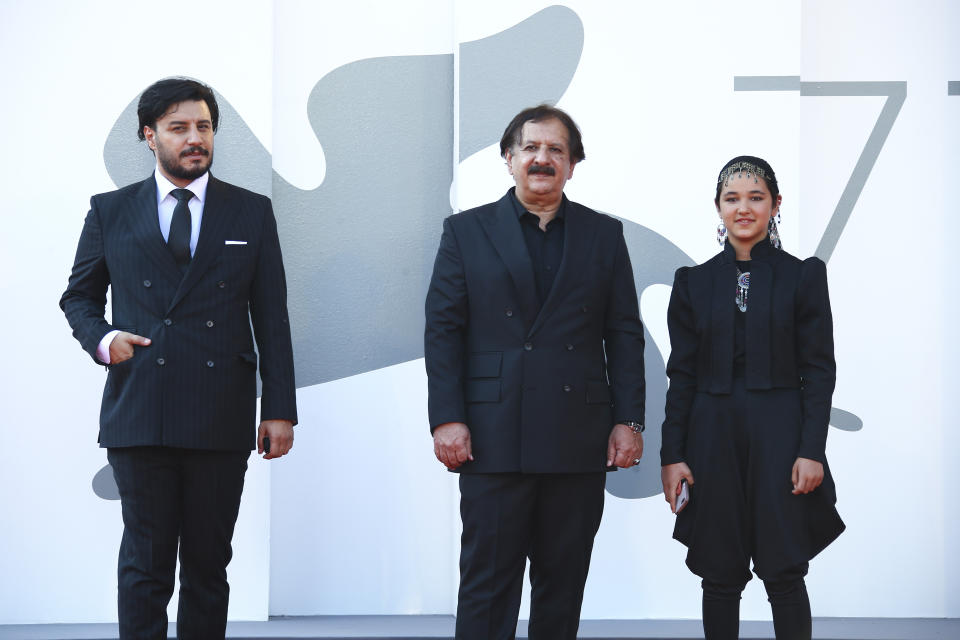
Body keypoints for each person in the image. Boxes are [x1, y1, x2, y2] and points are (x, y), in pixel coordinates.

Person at [60, 77, 297, 640]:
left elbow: (273, 316)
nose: (196, 138)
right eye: (179, 128)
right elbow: (79, 297)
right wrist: (103, 339)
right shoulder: (111, 211)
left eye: (204, 127)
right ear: (150, 136)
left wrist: (280, 408)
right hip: (140, 406)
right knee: (145, 566)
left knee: (209, 567)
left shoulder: (251, 211)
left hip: (219, 412)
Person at [424, 105, 646, 639]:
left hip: (577, 436)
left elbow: (623, 332)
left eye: (556, 150)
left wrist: (629, 421)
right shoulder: (466, 232)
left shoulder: (603, 234)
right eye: (531, 148)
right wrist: (446, 418)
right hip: (492, 436)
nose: (542, 159)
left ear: (572, 165)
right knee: (486, 584)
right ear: (509, 158)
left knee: (562, 586)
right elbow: (443, 331)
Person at [660, 156, 845, 640]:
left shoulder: (804, 276)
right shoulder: (692, 283)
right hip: (710, 438)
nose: (744, 208)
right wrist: (672, 454)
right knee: (719, 572)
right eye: (732, 198)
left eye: (756, 197)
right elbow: (680, 375)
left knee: (784, 569)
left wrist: (811, 450)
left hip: (781, 436)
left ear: (775, 205)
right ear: (718, 209)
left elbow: (819, 372)